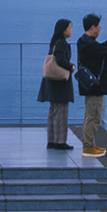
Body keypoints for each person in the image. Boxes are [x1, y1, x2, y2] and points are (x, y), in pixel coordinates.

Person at [75, 14, 107, 158]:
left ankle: (89, 143)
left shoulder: (84, 41)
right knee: (94, 115)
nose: (99, 30)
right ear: (92, 28)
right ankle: (88, 147)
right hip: (95, 86)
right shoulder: (89, 44)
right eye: (98, 27)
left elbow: (101, 48)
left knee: (90, 114)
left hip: (90, 84)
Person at [38, 17, 77, 150]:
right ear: (63, 30)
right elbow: (60, 60)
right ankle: (60, 141)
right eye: (69, 28)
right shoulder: (61, 43)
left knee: (53, 111)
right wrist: (71, 66)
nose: (71, 30)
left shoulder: (54, 42)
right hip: (60, 83)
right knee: (61, 112)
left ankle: (52, 140)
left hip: (52, 83)